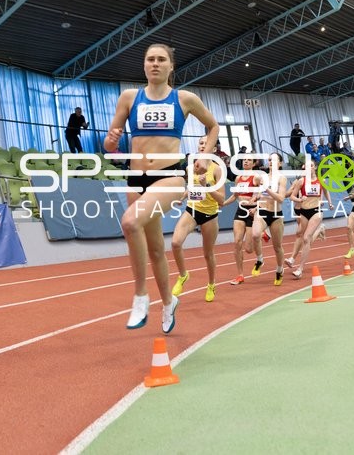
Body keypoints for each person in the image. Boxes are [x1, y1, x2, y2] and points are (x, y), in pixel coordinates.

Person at [104, 43, 219, 333]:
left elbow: (213, 126)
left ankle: (140, 296)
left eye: (161, 60)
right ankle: (168, 303)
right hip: (135, 179)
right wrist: (112, 139)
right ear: (144, 66)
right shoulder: (129, 98)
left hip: (169, 176)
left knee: (130, 222)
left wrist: (205, 156)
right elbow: (109, 145)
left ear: (171, 67)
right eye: (150, 60)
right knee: (156, 251)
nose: (155, 64)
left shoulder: (185, 99)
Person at [170, 136, 226, 303]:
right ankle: (183, 275)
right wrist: (184, 195)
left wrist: (206, 186)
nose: (203, 146)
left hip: (210, 215)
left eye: (206, 143)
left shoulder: (217, 170)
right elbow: (191, 186)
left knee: (208, 254)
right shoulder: (191, 166)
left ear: (214, 149)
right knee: (175, 243)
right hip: (192, 210)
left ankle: (211, 284)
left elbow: (222, 200)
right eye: (201, 143)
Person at [285, 158, 331, 279]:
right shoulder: (301, 181)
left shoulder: (321, 180)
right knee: (300, 234)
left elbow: (326, 192)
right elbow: (292, 197)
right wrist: (300, 199)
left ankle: (300, 268)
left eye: (311, 165)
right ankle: (319, 230)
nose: (308, 168)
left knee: (306, 238)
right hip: (304, 211)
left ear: (314, 167)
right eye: (306, 166)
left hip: (316, 211)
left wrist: (329, 203)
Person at [222, 156, 263, 285]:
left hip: (252, 213)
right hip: (240, 211)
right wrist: (223, 203)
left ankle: (260, 234)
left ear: (253, 163)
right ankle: (240, 275)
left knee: (249, 249)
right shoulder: (238, 178)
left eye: (249, 160)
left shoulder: (256, 177)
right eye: (244, 160)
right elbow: (235, 196)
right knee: (237, 242)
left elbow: (263, 195)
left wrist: (256, 207)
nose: (246, 161)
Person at [251, 153, 288, 285]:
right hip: (262, 211)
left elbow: (281, 198)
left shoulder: (282, 179)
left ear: (280, 163)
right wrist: (255, 198)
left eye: (274, 160)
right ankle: (260, 259)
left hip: (276, 214)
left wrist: (267, 189)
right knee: (255, 234)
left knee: (277, 247)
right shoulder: (263, 177)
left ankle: (279, 269)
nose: (271, 162)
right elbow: (259, 193)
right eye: (269, 160)